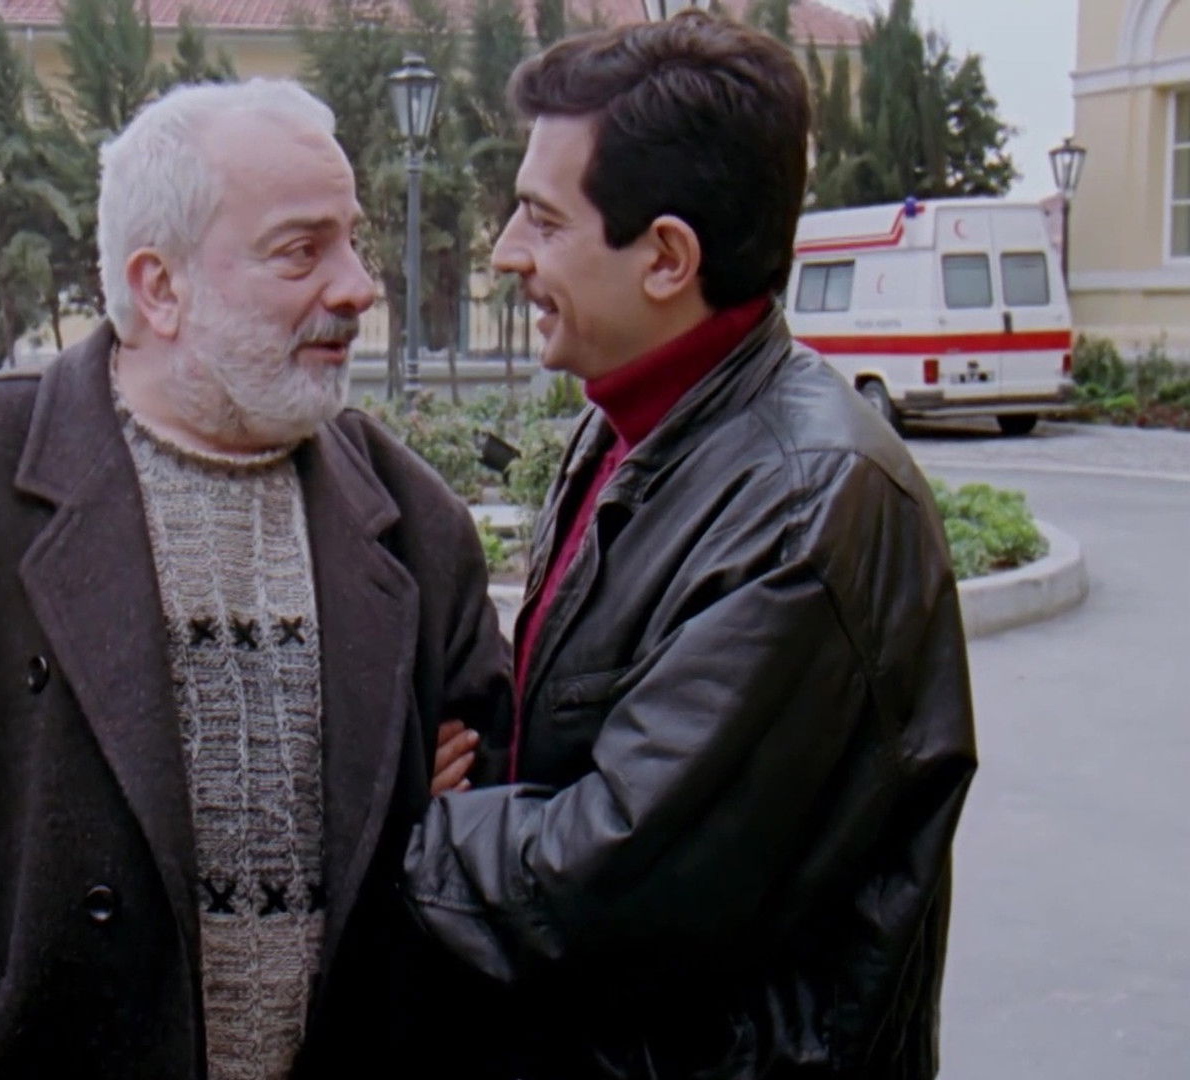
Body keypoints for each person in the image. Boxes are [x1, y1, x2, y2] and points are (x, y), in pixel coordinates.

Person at [0, 78, 512, 1080]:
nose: (357, 287)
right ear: (160, 288)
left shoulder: (416, 522)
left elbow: (486, 838)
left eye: (352, 242)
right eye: (302, 251)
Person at [401, 14, 980, 1079]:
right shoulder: (641, 421)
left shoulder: (806, 504)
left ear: (667, 257)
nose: (506, 251)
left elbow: (610, 878)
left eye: (542, 220)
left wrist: (409, 814)